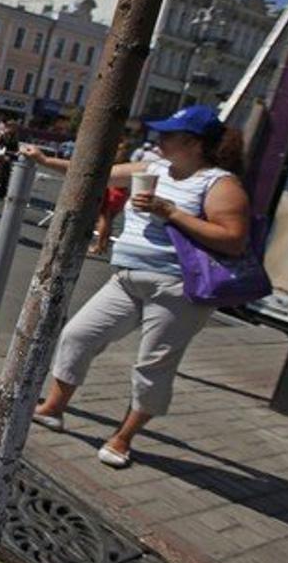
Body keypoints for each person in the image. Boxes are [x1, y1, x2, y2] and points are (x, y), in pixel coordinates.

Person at [22, 105, 251, 468]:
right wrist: (45, 160)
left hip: (178, 289)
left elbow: (234, 240)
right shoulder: (154, 168)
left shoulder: (220, 184)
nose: (158, 140)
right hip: (128, 278)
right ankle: (53, 407)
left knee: (152, 367)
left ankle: (123, 438)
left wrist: (170, 211)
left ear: (193, 143)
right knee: (78, 335)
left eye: (167, 135)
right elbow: (101, 175)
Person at [89, 138, 132, 256]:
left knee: (103, 218)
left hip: (112, 191)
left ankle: (98, 245)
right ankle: (103, 245)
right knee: (109, 221)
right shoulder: (128, 162)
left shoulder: (115, 161)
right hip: (121, 193)